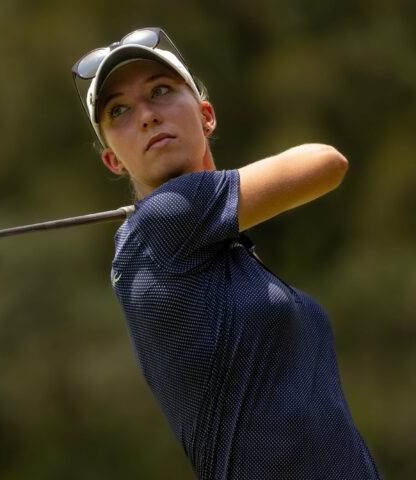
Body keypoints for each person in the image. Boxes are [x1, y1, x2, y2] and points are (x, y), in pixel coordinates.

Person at [72, 28, 382, 479]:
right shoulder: (165, 218)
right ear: (113, 161)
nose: (145, 116)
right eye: (119, 110)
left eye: (160, 91)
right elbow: (325, 162)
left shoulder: (201, 244)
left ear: (206, 115)